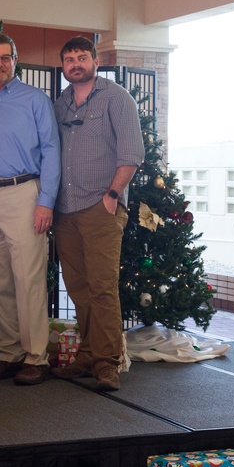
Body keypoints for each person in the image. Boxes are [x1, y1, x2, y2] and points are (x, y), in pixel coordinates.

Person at [50, 37, 144, 391]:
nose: (75, 63)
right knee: (78, 287)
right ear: (63, 66)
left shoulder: (116, 98)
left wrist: (112, 195)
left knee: (103, 287)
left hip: (99, 207)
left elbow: (132, 152)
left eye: (82, 57)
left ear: (95, 61)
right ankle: (87, 353)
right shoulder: (59, 105)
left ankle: (108, 362)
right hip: (65, 209)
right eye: (69, 58)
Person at [0, 33, 60, 385]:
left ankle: (36, 356)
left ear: (15, 60)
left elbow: (51, 150)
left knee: (29, 279)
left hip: (25, 193)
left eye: (5, 57)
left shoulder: (35, 100)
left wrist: (45, 202)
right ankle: (8, 351)